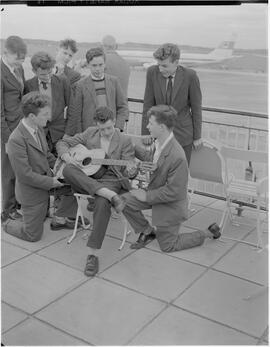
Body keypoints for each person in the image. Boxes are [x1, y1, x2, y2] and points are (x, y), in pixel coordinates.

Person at [122, 105, 221, 252]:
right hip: (156, 193)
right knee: (122, 202)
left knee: (168, 246)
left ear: (161, 127)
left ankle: (207, 233)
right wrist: (132, 146)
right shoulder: (160, 142)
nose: (147, 126)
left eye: (150, 123)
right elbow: (153, 160)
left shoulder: (178, 156)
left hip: (170, 204)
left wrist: (146, 196)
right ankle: (148, 231)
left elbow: (174, 191)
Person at [57, 106, 136, 277]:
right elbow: (62, 143)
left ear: (114, 122)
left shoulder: (125, 140)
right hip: (89, 177)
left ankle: (92, 255)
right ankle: (110, 196)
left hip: (111, 179)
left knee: (101, 202)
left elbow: (129, 169)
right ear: (96, 125)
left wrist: (131, 170)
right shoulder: (90, 133)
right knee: (68, 170)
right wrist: (67, 157)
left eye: (109, 127)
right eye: (102, 129)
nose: (106, 132)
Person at [4, 92, 80, 242]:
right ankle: (6, 223)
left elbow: (47, 155)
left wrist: (63, 167)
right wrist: (52, 182)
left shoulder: (37, 128)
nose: (49, 117)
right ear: (32, 116)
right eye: (45, 114)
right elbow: (25, 175)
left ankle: (61, 218)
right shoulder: (16, 140)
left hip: (46, 182)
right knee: (33, 236)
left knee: (75, 183)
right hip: (32, 192)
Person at [142, 43, 203, 164]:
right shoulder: (152, 72)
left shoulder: (190, 76)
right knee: (158, 171)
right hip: (160, 134)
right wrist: (145, 132)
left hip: (183, 135)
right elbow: (148, 104)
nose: (160, 69)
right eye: (158, 65)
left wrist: (197, 137)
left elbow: (196, 108)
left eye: (164, 66)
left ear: (176, 62)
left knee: (180, 173)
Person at [65, 47, 128, 136]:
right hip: (89, 134)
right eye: (94, 65)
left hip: (111, 132)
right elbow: (77, 115)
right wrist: (80, 136)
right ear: (88, 65)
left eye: (100, 65)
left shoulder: (114, 82)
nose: (98, 69)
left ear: (105, 64)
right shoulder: (80, 85)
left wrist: (118, 128)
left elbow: (122, 107)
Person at [1, 36, 27, 222]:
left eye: (23, 57)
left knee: (19, 169)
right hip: (7, 130)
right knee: (8, 173)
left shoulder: (19, 69)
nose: (21, 61)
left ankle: (17, 203)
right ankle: (7, 211)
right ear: (6, 52)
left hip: (20, 126)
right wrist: (7, 139)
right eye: (17, 57)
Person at [24, 51, 71, 156]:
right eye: (43, 74)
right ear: (34, 71)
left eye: (50, 72)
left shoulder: (63, 81)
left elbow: (71, 107)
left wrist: (69, 132)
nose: (47, 76)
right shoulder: (28, 85)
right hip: (39, 133)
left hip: (60, 132)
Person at [102, 35, 130, 100]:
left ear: (103, 46)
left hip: (107, 104)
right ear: (116, 46)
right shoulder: (125, 63)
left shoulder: (101, 62)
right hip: (123, 105)